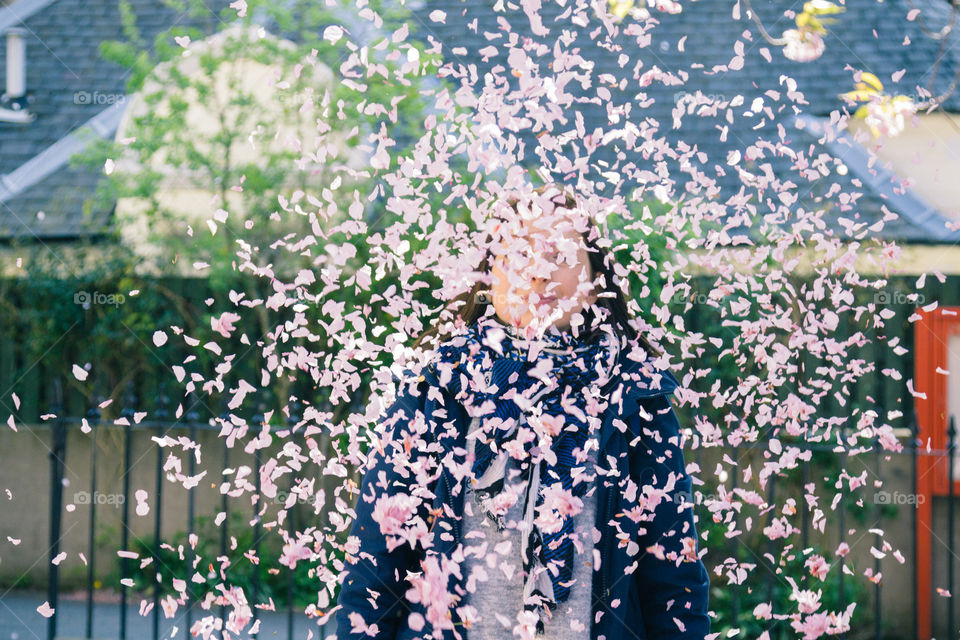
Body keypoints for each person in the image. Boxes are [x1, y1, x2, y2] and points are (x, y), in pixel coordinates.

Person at [332, 183, 711, 640]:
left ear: (593, 284)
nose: (538, 272)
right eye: (519, 253)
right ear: (489, 276)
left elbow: (673, 583)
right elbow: (375, 569)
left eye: (562, 254)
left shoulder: (635, 399)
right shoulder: (432, 389)